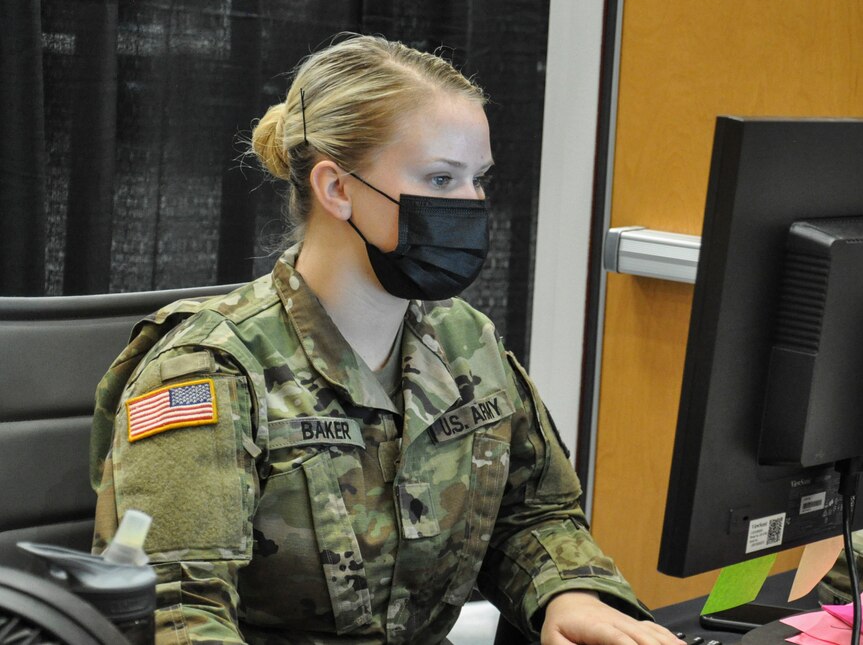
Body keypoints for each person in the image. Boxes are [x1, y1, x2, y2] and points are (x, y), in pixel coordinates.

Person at [89, 35, 681, 645]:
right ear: (338, 189)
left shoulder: (463, 343)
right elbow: (173, 611)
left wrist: (569, 593)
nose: (471, 205)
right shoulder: (208, 371)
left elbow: (531, 514)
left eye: (478, 179)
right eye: (441, 178)